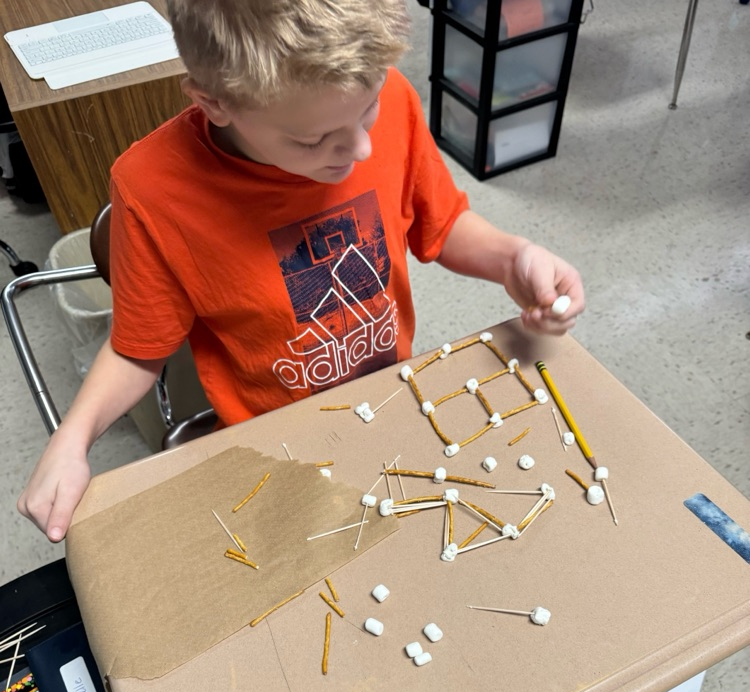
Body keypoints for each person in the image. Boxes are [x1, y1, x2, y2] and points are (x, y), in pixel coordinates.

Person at [18, 0, 584, 542]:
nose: (361, 147)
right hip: (273, 442)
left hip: (392, 402)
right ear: (215, 102)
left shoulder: (385, 105)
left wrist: (512, 257)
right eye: (314, 139)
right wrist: (73, 438)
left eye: (370, 109)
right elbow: (139, 348)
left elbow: (441, 224)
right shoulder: (152, 190)